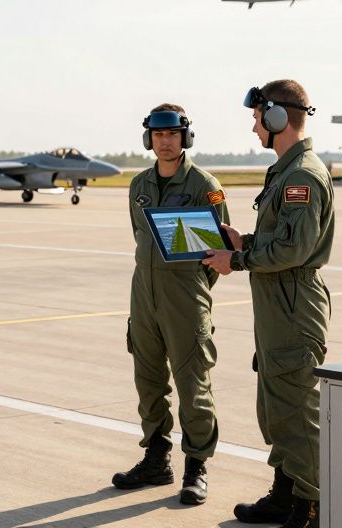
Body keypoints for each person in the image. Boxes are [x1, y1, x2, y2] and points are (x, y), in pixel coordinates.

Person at [203, 80, 334, 528]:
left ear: (277, 117)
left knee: (296, 407)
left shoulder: (301, 177)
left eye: (257, 118)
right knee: (277, 403)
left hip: (293, 305)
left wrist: (237, 260)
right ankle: (285, 494)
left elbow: (294, 250)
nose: (254, 127)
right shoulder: (285, 170)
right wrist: (246, 241)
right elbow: (282, 239)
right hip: (279, 303)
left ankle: (311, 507)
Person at [112, 104, 229, 506]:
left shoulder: (204, 185)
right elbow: (139, 236)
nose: (165, 142)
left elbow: (217, 251)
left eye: (173, 134)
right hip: (144, 296)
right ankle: (156, 460)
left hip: (185, 298)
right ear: (149, 139)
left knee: (193, 385)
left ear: (185, 137)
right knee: (148, 382)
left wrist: (190, 290)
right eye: (159, 135)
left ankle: (196, 467)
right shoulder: (139, 185)